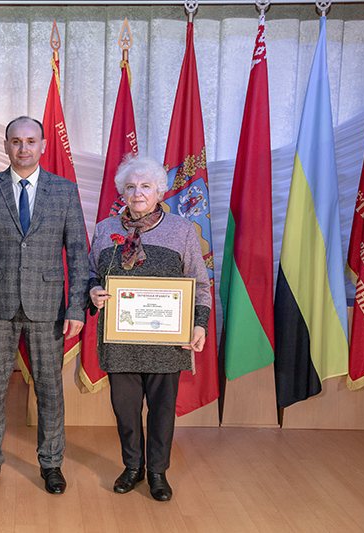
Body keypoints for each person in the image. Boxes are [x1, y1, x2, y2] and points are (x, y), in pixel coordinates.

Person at [0, 116, 89, 495]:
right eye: (16, 141)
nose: (23, 148)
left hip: (48, 307)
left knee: (50, 389)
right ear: (6, 146)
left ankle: (51, 462)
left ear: (43, 145)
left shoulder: (64, 191)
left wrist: (76, 308)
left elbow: (78, 253)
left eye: (31, 141)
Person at [88, 153, 210, 502]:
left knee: (162, 411)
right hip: (120, 340)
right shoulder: (105, 230)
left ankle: (157, 471)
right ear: (122, 192)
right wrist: (93, 291)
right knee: (125, 411)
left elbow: (200, 284)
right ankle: (132, 467)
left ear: (160, 191)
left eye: (145, 186)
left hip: (166, 342)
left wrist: (199, 324)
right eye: (130, 186)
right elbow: (90, 275)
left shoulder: (182, 230)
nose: (138, 193)